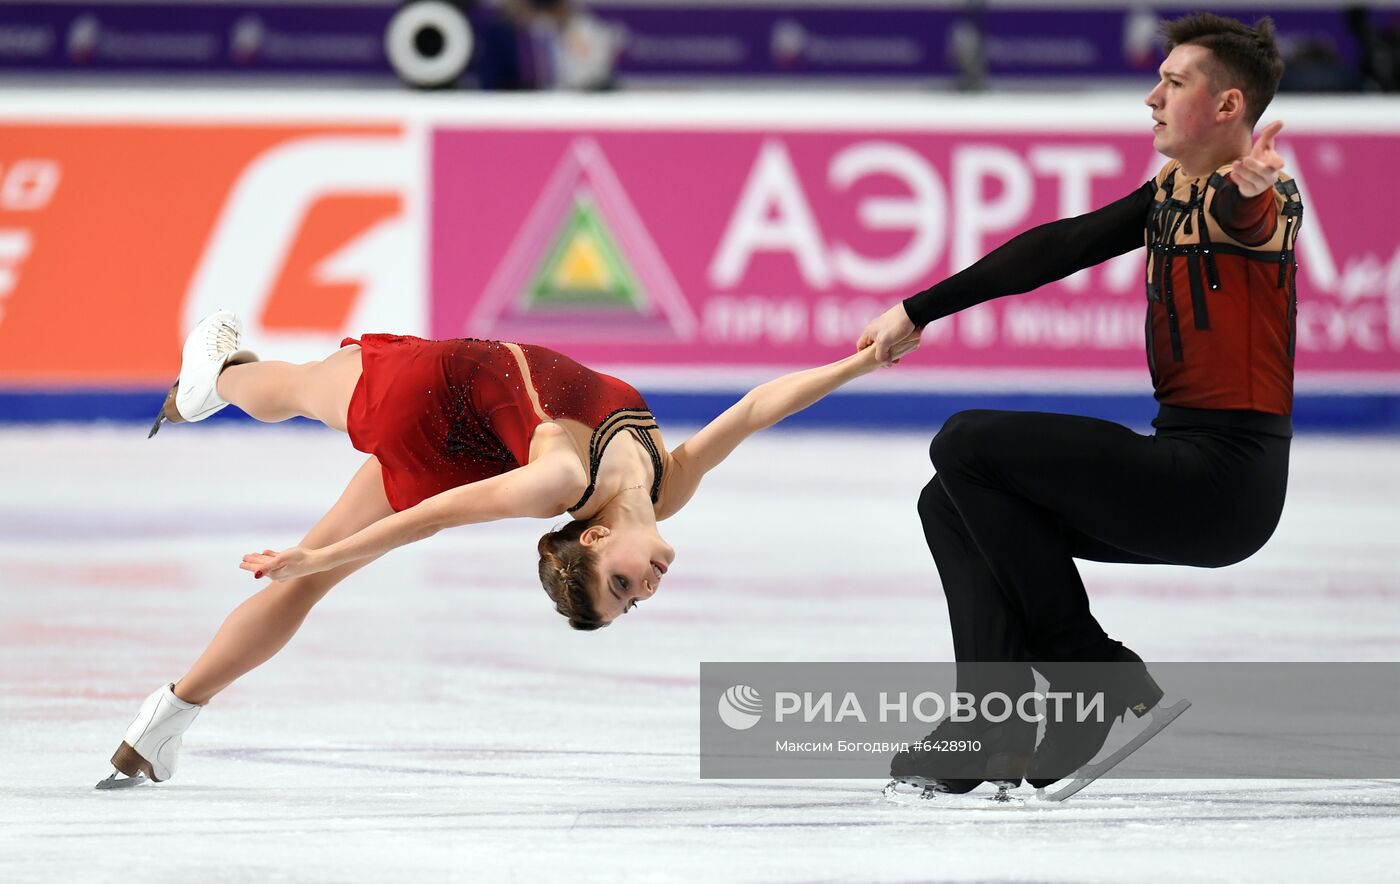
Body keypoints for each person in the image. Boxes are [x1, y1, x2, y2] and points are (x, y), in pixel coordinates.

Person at [100, 312, 919, 789]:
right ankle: (161, 726)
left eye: (622, 587)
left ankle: (215, 378)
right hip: (473, 431)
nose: (646, 591)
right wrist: (860, 361)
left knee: (294, 389)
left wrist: (317, 558)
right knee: (296, 404)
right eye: (631, 600)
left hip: (432, 393)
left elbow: (436, 516)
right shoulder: (668, 487)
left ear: (595, 537)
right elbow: (753, 410)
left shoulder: (559, 477)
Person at [858, 13, 1301, 797]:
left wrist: (1252, 193)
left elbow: (1250, 217)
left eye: (1174, 82)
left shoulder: (1263, 199)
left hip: (1225, 481)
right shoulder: (1171, 189)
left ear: (1228, 106)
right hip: (1183, 464)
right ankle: (989, 727)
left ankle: (1090, 671)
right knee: (950, 500)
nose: (1152, 97)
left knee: (965, 442)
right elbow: (1059, 246)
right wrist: (920, 308)